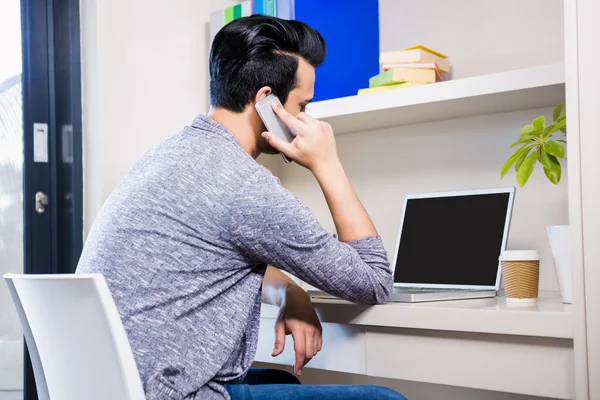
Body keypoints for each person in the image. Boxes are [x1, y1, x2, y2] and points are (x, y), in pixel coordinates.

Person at [76, 14, 406, 400]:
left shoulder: (164, 157)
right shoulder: (245, 187)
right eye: (303, 107)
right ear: (266, 102)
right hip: (170, 394)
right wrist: (327, 162)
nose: (307, 121)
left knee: (282, 383)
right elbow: (373, 281)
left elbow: (209, 259)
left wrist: (290, 291)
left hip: (112, 388)